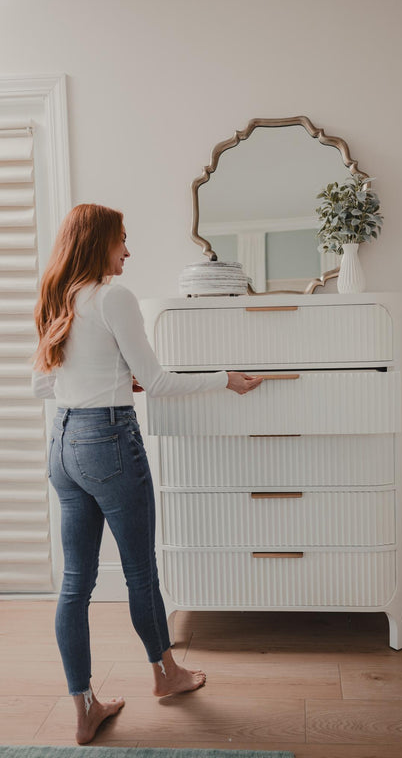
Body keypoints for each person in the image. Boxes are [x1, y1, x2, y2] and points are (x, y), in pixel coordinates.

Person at [32, 203, 263, 745]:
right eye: (121, 241)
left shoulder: (56, 296)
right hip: (109, 441)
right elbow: (156, 382)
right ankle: (166, 675)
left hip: (64, 444)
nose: (128, 252)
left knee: (74, 583)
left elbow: (44, 387)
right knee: (140, 571)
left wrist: (110, 378)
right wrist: (224, 377)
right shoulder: (113, 296)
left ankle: (84, 707)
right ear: (97, 242)